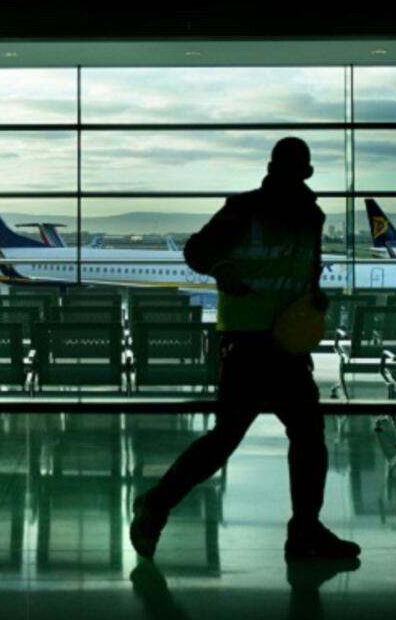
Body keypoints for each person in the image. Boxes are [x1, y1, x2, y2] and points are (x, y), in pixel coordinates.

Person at [130, 137, 361, 562]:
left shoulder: (310, 216)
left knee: (295, 437)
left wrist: (312, 299)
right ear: (303, 172)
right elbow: (197, 252)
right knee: (249, 439)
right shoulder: (250, 208)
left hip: (283, 344)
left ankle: (302, 530)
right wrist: (221, 269)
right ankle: (159, 504)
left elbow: (299, 272)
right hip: (251, 343)